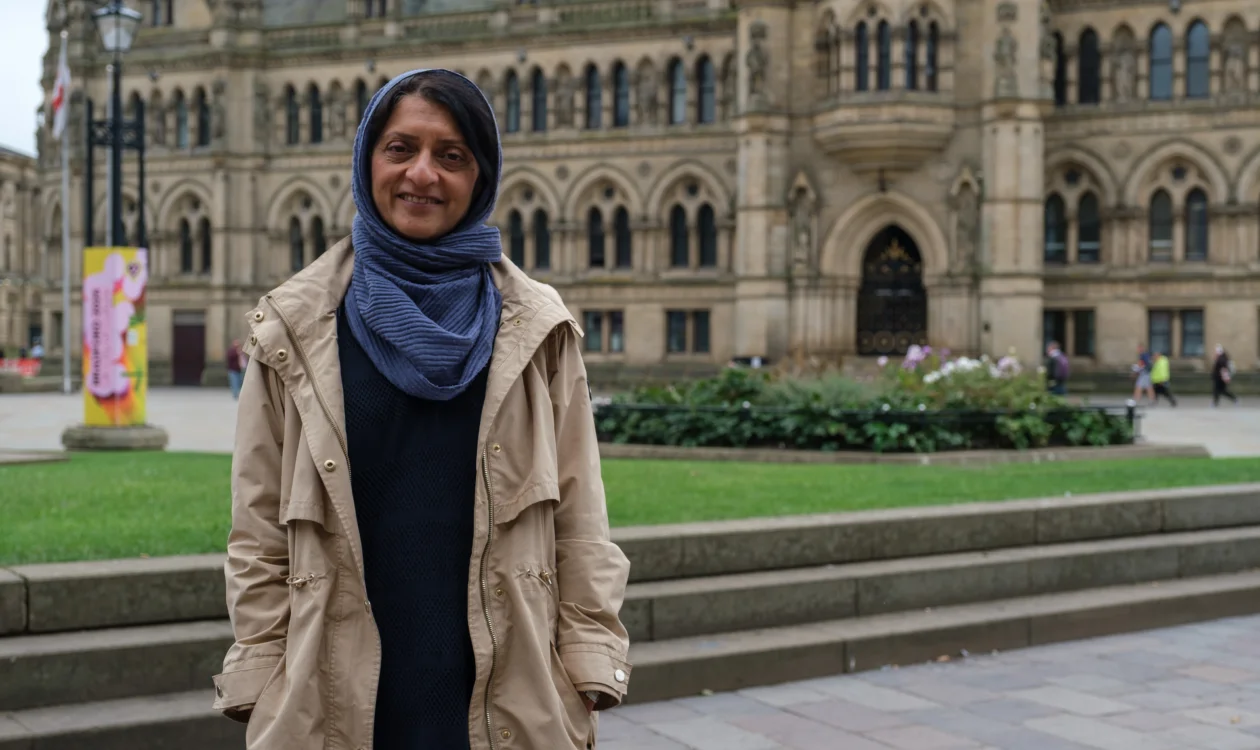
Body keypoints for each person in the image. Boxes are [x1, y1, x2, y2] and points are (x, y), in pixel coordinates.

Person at [213, 69, 631, 750]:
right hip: (335, 693)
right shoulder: (291, 327)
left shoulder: (538, 329)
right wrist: (263, 670)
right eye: (400, 148)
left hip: (507, 688)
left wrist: (585, 657)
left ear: (482, 178)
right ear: (367, 160)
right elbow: (256, 532)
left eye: (452, 155)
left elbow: (582, 518)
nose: (423, 174)